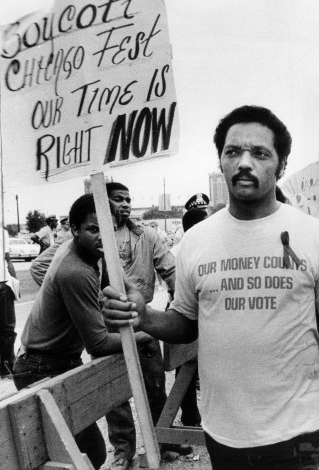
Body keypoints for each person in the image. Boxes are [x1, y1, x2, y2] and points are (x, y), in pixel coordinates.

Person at [102, 105, 319, 470]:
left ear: (280, 165)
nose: (244, 162)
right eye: (233, 151)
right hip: (223, 430)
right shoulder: (196, 241)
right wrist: (143, 316)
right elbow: (185, 323)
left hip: (298, 429)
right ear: (220, 161)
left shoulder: (315, 236)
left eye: (260, 153)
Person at [12, 194, 153, 469]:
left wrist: (136, 302)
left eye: (108, 229)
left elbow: (128, 286)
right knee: (87, 455)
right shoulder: (75, 270)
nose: (102, 237)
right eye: (93, 229)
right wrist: (147, 334)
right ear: (74, 230)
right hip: (40, 368)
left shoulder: (97, 253)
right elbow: (98, 343)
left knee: (78, 456)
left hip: (56, 362)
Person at [104, 181, 185, 470]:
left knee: (154, 384)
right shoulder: (93, 236)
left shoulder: (147, 235)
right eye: (117, 199)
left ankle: (164, 443)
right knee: (115, 393)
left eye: (128, 199)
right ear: (103, 201)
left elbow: (172, 271)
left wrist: (179, 303)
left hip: (144, 323)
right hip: (108, 326)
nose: (125, 204)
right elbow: (43, 267)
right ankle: (123, 452)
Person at [169, 207, 208, 427]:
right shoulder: (177, 252)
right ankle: (190, 415)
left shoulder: (209, 247)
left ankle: (195, 415)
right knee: (185, 368)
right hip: (184, 310)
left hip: (204, 312)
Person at [1, 228, 18, 378]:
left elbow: (8, 259)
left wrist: (15, 282)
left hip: (4, 284)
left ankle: (7, 366)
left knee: (7, 328)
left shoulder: (2, 232)